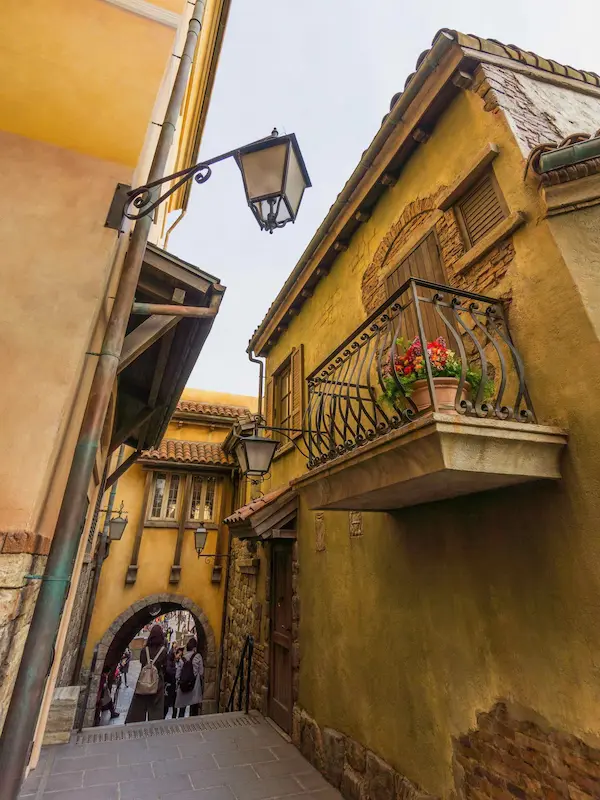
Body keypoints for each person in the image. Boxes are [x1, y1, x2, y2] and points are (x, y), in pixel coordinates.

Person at [125, 624, 167, 723]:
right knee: (156, 709)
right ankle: (154, 726)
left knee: (139, 705)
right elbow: (164, 666)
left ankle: (136, 723)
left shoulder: (144, 650)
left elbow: (142, 662)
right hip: (157, 682)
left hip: (144, 680)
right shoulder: (163, 651)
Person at [175, 637, 203, 718]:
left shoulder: (182, 659)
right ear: (194, 647)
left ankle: (181, 725)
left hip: (183, 686)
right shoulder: (198, 657)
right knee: (193, 708)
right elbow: (201, 672)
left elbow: (177, 675)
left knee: (182, 708)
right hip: (194, 686)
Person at [163, 646, 178, 719]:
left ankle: (172, 718)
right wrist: (176, 670)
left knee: (172, 705)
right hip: (170, 686)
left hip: (171, 686)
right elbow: (169, 671)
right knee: (168, 705)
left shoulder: (171, 661)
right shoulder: (170, 662)